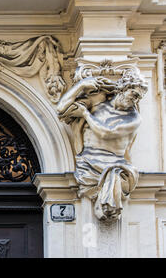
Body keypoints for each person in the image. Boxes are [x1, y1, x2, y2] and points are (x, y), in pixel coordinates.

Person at [57, 71, 148, 221]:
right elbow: (61, 109)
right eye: (134, 93)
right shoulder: (98, 101)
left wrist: (85, 114)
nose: (135, 99)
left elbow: (106, 133)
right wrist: (81, 85)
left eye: (138, 97)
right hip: (86, 165)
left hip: (112, 166)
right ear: (123, 87)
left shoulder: (134, 118)